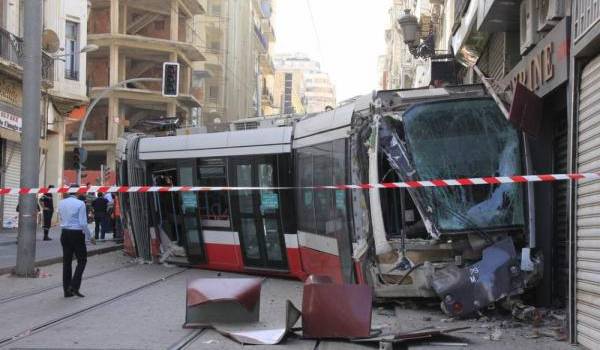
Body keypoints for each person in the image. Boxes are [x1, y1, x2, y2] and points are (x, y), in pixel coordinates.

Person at [58, 186, 95, 298]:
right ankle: (74, 286)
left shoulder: (61, 203)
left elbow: (60, 217)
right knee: (82, 260)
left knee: (67, 262)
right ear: (78, 192)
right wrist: (90, 236)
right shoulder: (80, 204)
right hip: (77, 234)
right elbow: (83, 223)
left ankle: (67, 291)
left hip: (64, 233)